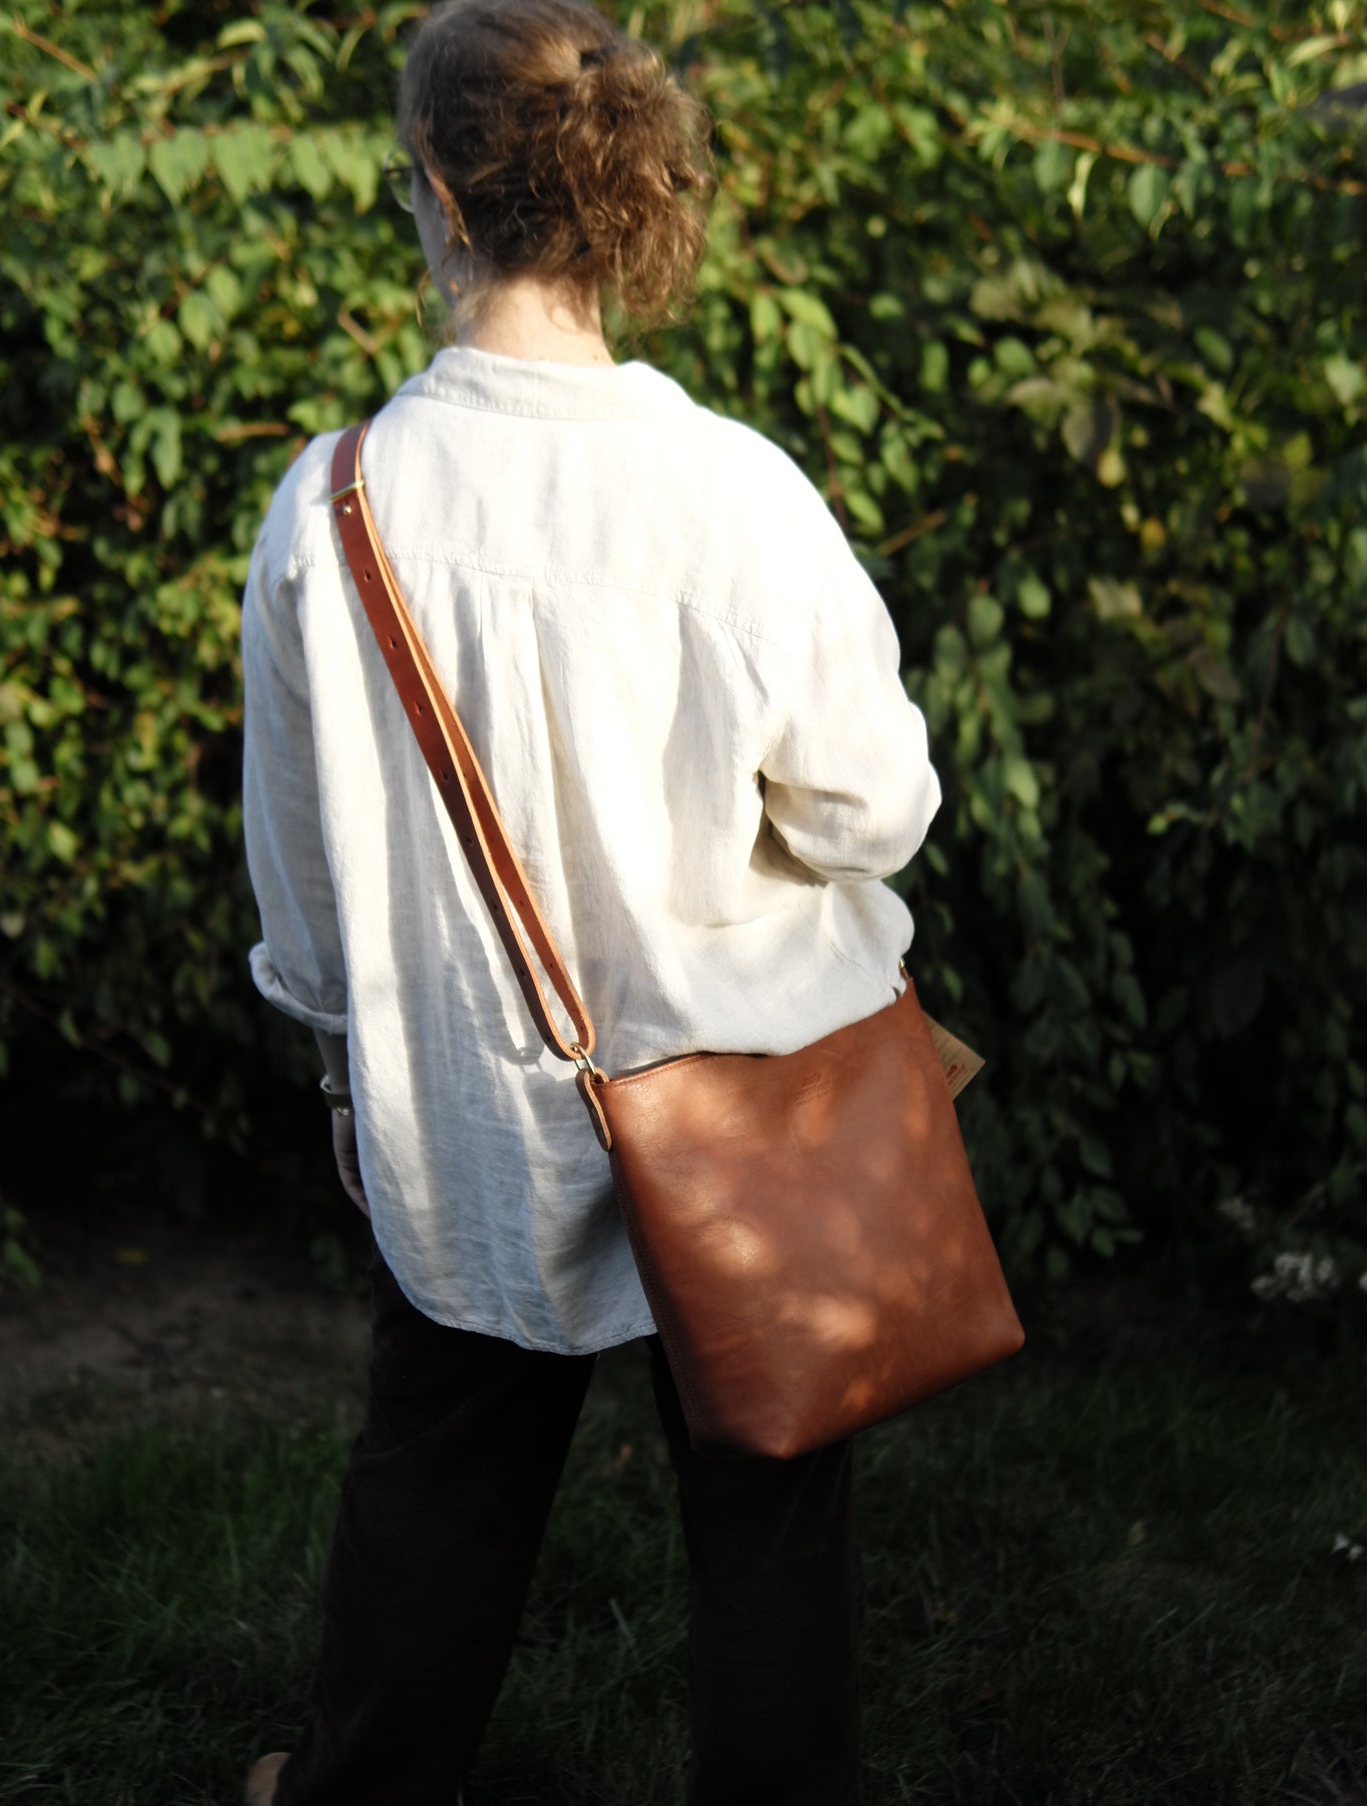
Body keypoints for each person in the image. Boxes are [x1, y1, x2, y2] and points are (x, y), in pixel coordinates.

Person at [239, 2, 941, 1801]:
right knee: (770, 1533)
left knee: (434, 1502)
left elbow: (307, 897)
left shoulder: (330, 510)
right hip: (756, 1118)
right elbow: (874, 809)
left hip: (467, 1120)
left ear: (439, 199)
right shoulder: (733, 495)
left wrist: (344, 1076)